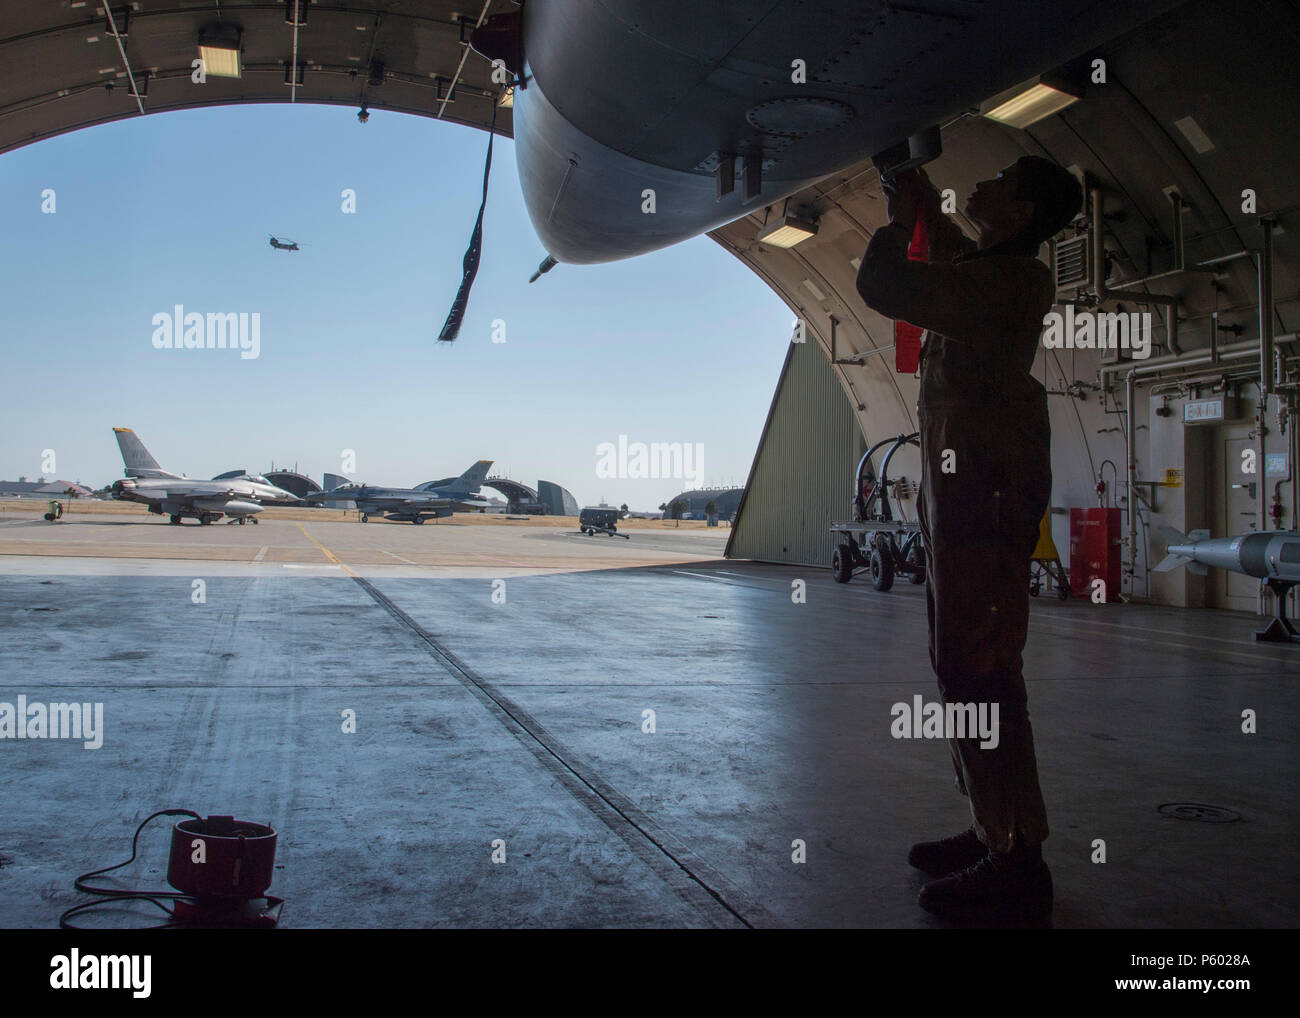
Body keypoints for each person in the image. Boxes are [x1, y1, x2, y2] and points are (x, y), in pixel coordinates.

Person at [855, 155, 1082, 921]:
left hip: (984, 495)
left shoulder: (1006, 284)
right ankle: (994, 827)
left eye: (1001, 180)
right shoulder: (995, 270)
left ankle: (1017, 858)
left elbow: (883, 286)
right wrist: (914, 197)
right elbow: (952, 248)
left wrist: (895, 225)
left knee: (978, 673)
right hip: (967, 493)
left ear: (1019, 213)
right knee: (963, 668)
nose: (980, 183)